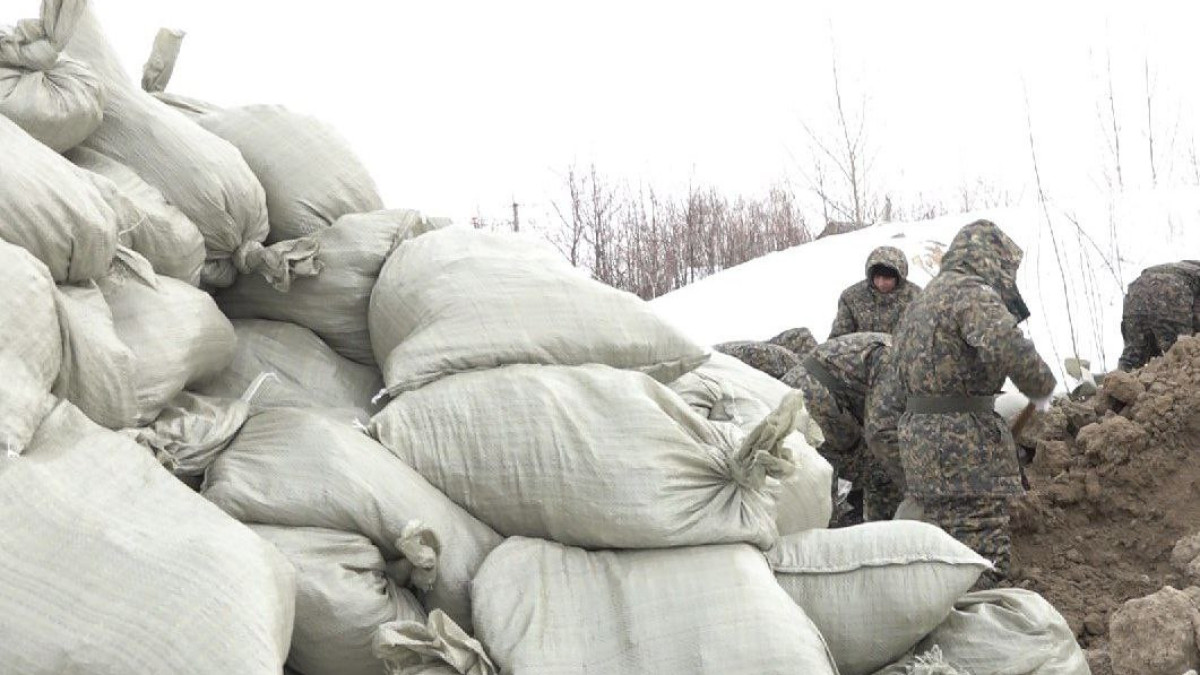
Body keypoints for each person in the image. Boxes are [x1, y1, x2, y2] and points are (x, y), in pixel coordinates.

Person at [891, 220, 1055, 589]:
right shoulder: (970, 293)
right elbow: (1005, 342)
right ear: (991, 259)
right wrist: (1041, 386)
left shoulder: (924, 299)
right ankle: (983, 631)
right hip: (962, 445)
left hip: (920, 441)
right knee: (982, 552)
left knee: (943, 547)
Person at [781, 332, 904, 522]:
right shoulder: (892, 358)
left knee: (818, 485)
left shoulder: (889, 348)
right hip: (816, 405)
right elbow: (880, 432)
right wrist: (913, 486)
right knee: (880, 471)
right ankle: (881, 534)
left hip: (796, 400)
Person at [1118, 261, 1200, 371]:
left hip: (1137, 291)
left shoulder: (1188, 267)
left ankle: (1117, 384)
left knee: (1132, 357)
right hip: (1171, 289)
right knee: (1182, 355)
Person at [829, 246, 921, 339]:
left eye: (887, 278)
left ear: (899, 277)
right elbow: (839, 338)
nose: (881, 283)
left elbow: (924, 337)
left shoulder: (916, 297)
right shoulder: (851, 298)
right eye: (877, 277)